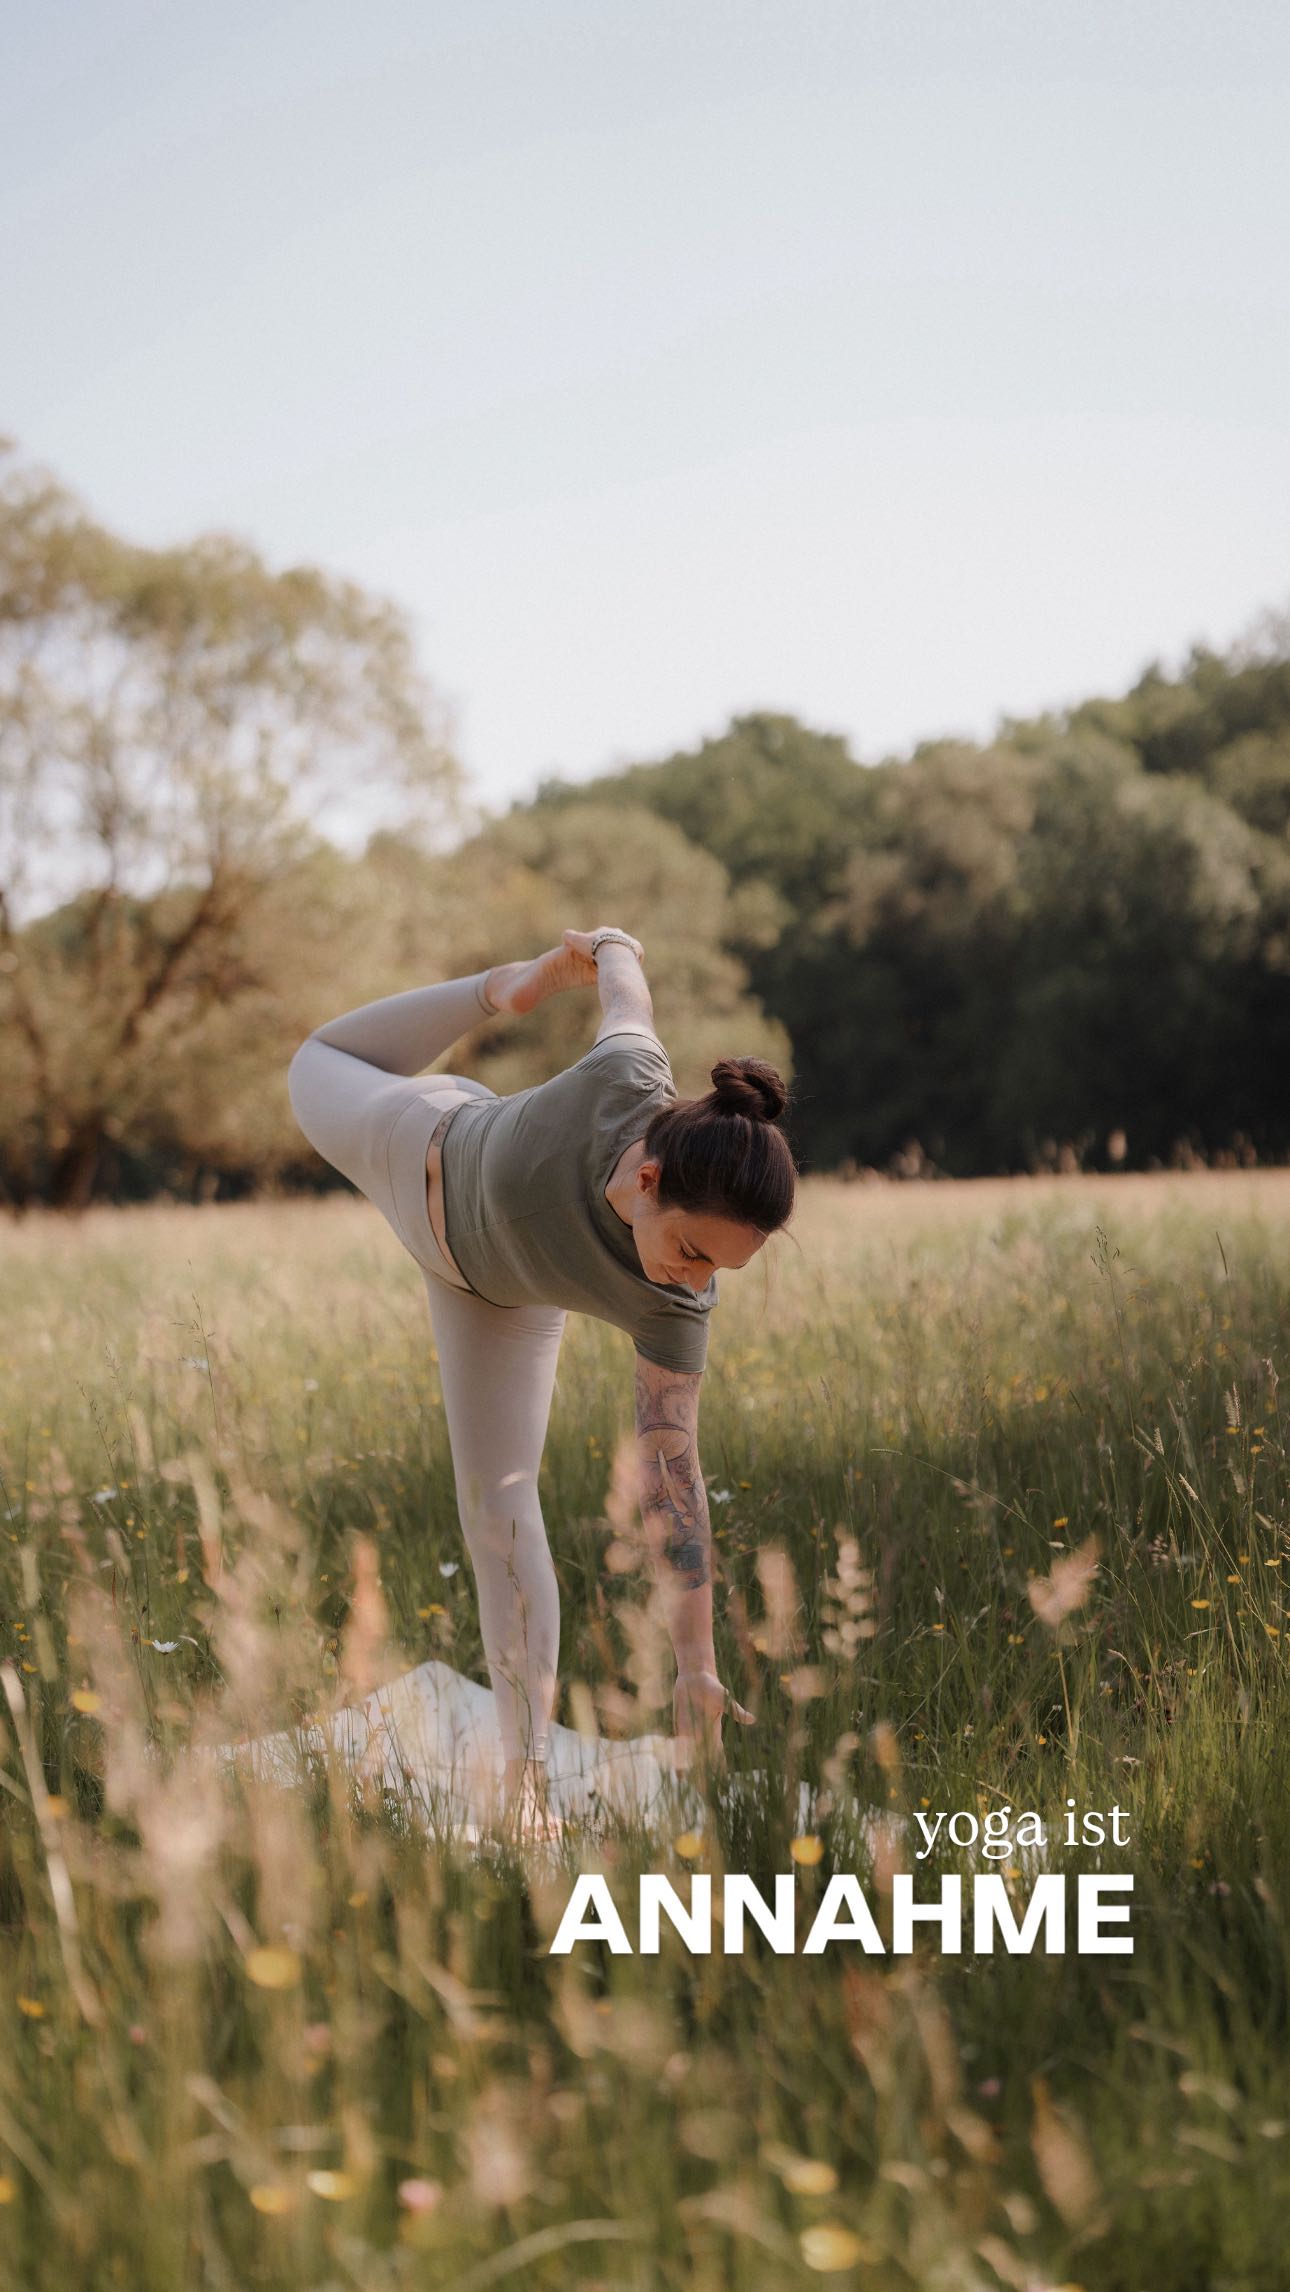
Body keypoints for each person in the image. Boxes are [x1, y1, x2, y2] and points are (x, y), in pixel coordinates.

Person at [287, 926, 797, 1835]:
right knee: (315, 1059)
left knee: (500, 1511)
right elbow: (627, 988)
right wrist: (602, 948)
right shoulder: (625, 1080)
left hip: (493, 1294)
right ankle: (499, 988)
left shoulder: (676, 1306)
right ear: (646, 1180)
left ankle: (521, 1788)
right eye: (688, 1250)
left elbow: (671, 1480)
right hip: (423, 1154)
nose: (693, 1280)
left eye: (720, 1270)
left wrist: (694, 1663)